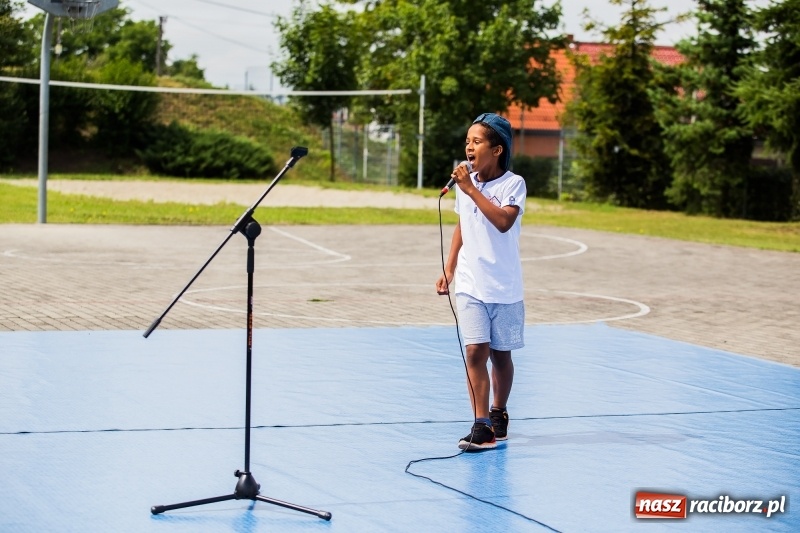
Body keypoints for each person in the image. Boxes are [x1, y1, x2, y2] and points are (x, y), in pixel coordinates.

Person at [435, 112, 526, 451]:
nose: (468, 147)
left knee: (501, 356)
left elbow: (503, 221)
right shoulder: (466, 187)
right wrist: (450, 267)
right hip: (472, 285)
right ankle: (481, 423)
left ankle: (498, 411)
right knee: (475, 351)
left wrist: (471, 189)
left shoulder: (512, 184)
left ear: (497, 149)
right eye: (467, 142)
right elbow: (463, 225)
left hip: (504, 286)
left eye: (476, 141)